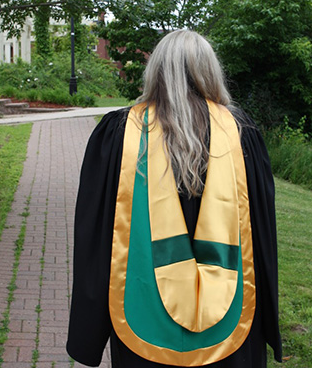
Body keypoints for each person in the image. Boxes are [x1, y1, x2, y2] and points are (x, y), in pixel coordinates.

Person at [66, 30, 282, 367]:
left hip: (140, 314)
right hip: (231, 323)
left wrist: (89, 332)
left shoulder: (119, 133)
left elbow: (96, 235)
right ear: (209, 71)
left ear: (156, 72)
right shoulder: (242, 134)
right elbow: (262, 233)